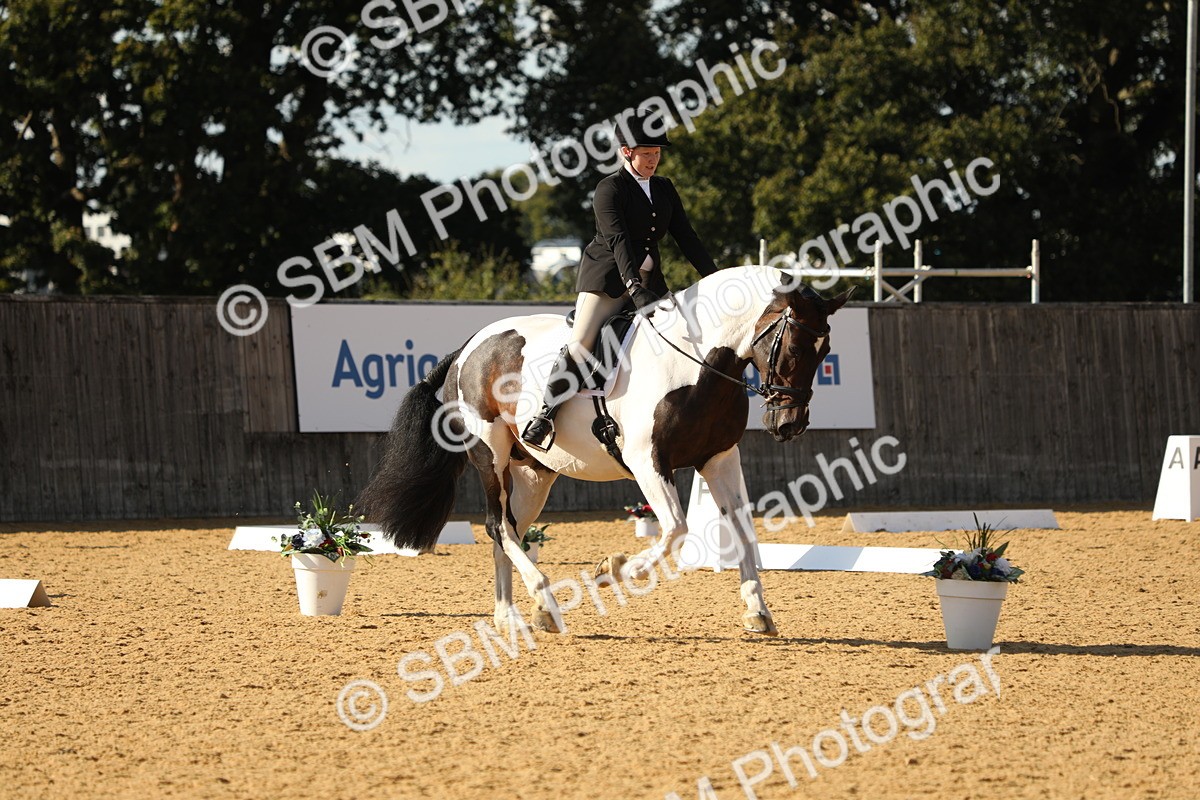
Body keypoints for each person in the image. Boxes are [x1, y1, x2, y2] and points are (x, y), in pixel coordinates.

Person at [521, 110, 721, 451]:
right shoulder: (609, 189)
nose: (654, 160)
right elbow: (619, 242)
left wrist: (715, 279)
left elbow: (686, 237)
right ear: (626, 152)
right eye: (647, 154)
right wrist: (634, 288)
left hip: (650, 282)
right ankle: (544, 415)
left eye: (657, 154)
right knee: (582, 343)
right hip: (609, 280)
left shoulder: (664, 188)